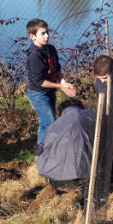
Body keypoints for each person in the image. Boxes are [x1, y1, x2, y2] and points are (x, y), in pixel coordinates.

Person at [26, 19, 76, 156]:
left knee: (47, 121)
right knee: (49, 122)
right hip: (38, 94)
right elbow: (39, 82)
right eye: (43, 33)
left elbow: (57, 70)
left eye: (47, 32)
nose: (47, 36)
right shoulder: (35, 56)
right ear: (32, 36)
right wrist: (60, 87)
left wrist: (63, 83)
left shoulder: (51, 49)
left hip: (50, 92)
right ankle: (41, 152)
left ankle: (45, 150)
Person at [36, 99, 93, 193]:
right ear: (81, 107)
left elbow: (45, 152)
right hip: (83, 179)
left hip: (53, 180)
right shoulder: (92, 117)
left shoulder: (53, 126)